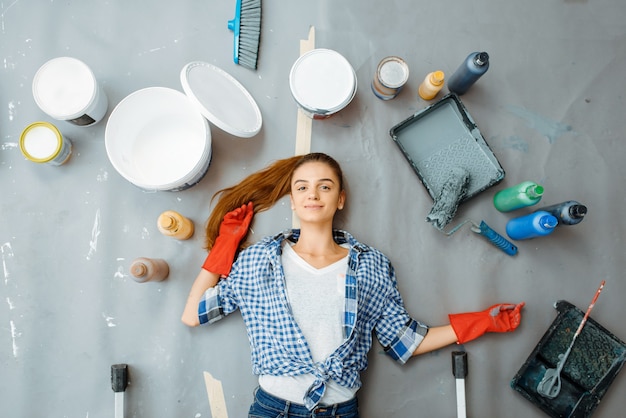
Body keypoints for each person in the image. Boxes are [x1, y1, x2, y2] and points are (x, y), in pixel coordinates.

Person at [182, 152, 524, 418]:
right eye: (302, 187)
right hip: (275, 409)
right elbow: (194, 314)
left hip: (340, 410)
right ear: (292, 199)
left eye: (324, 186)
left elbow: (404, 341)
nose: (312, 194)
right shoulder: (259, 260)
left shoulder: (371, 264)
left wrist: (483, 321)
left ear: (340, 199)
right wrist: (225, 246)